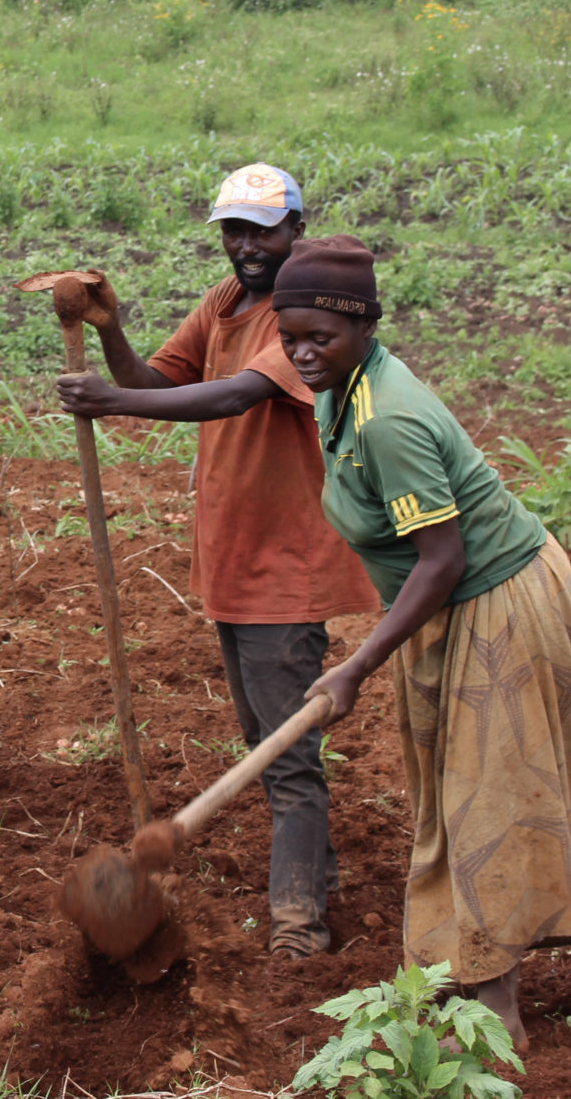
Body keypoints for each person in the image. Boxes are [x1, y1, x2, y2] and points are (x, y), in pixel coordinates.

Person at [276, 235, 571, 1047]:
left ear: (366, 326)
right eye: (289, 335)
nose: (302, 352)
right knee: (458, 792)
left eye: (320, 337)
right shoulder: (340, 389)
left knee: (489, 800)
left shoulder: (390, 418)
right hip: (451, 602)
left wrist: (357, 665)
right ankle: (473, 979)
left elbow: (444, 559)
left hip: (496, 599)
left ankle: (493, 1014)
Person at [54, 163, 378, 958]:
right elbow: (157, 381)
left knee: (286, 760)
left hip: (287, 567)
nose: (246, 245)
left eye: (263, 230)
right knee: (267, 745)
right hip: (234, 564)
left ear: (295, 230)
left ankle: (299, 930)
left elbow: (235, 395)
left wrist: (113, 402)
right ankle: (319, 885)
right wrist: (109, 332)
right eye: (234, 229)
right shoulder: (225, 303)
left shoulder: (298, 319)